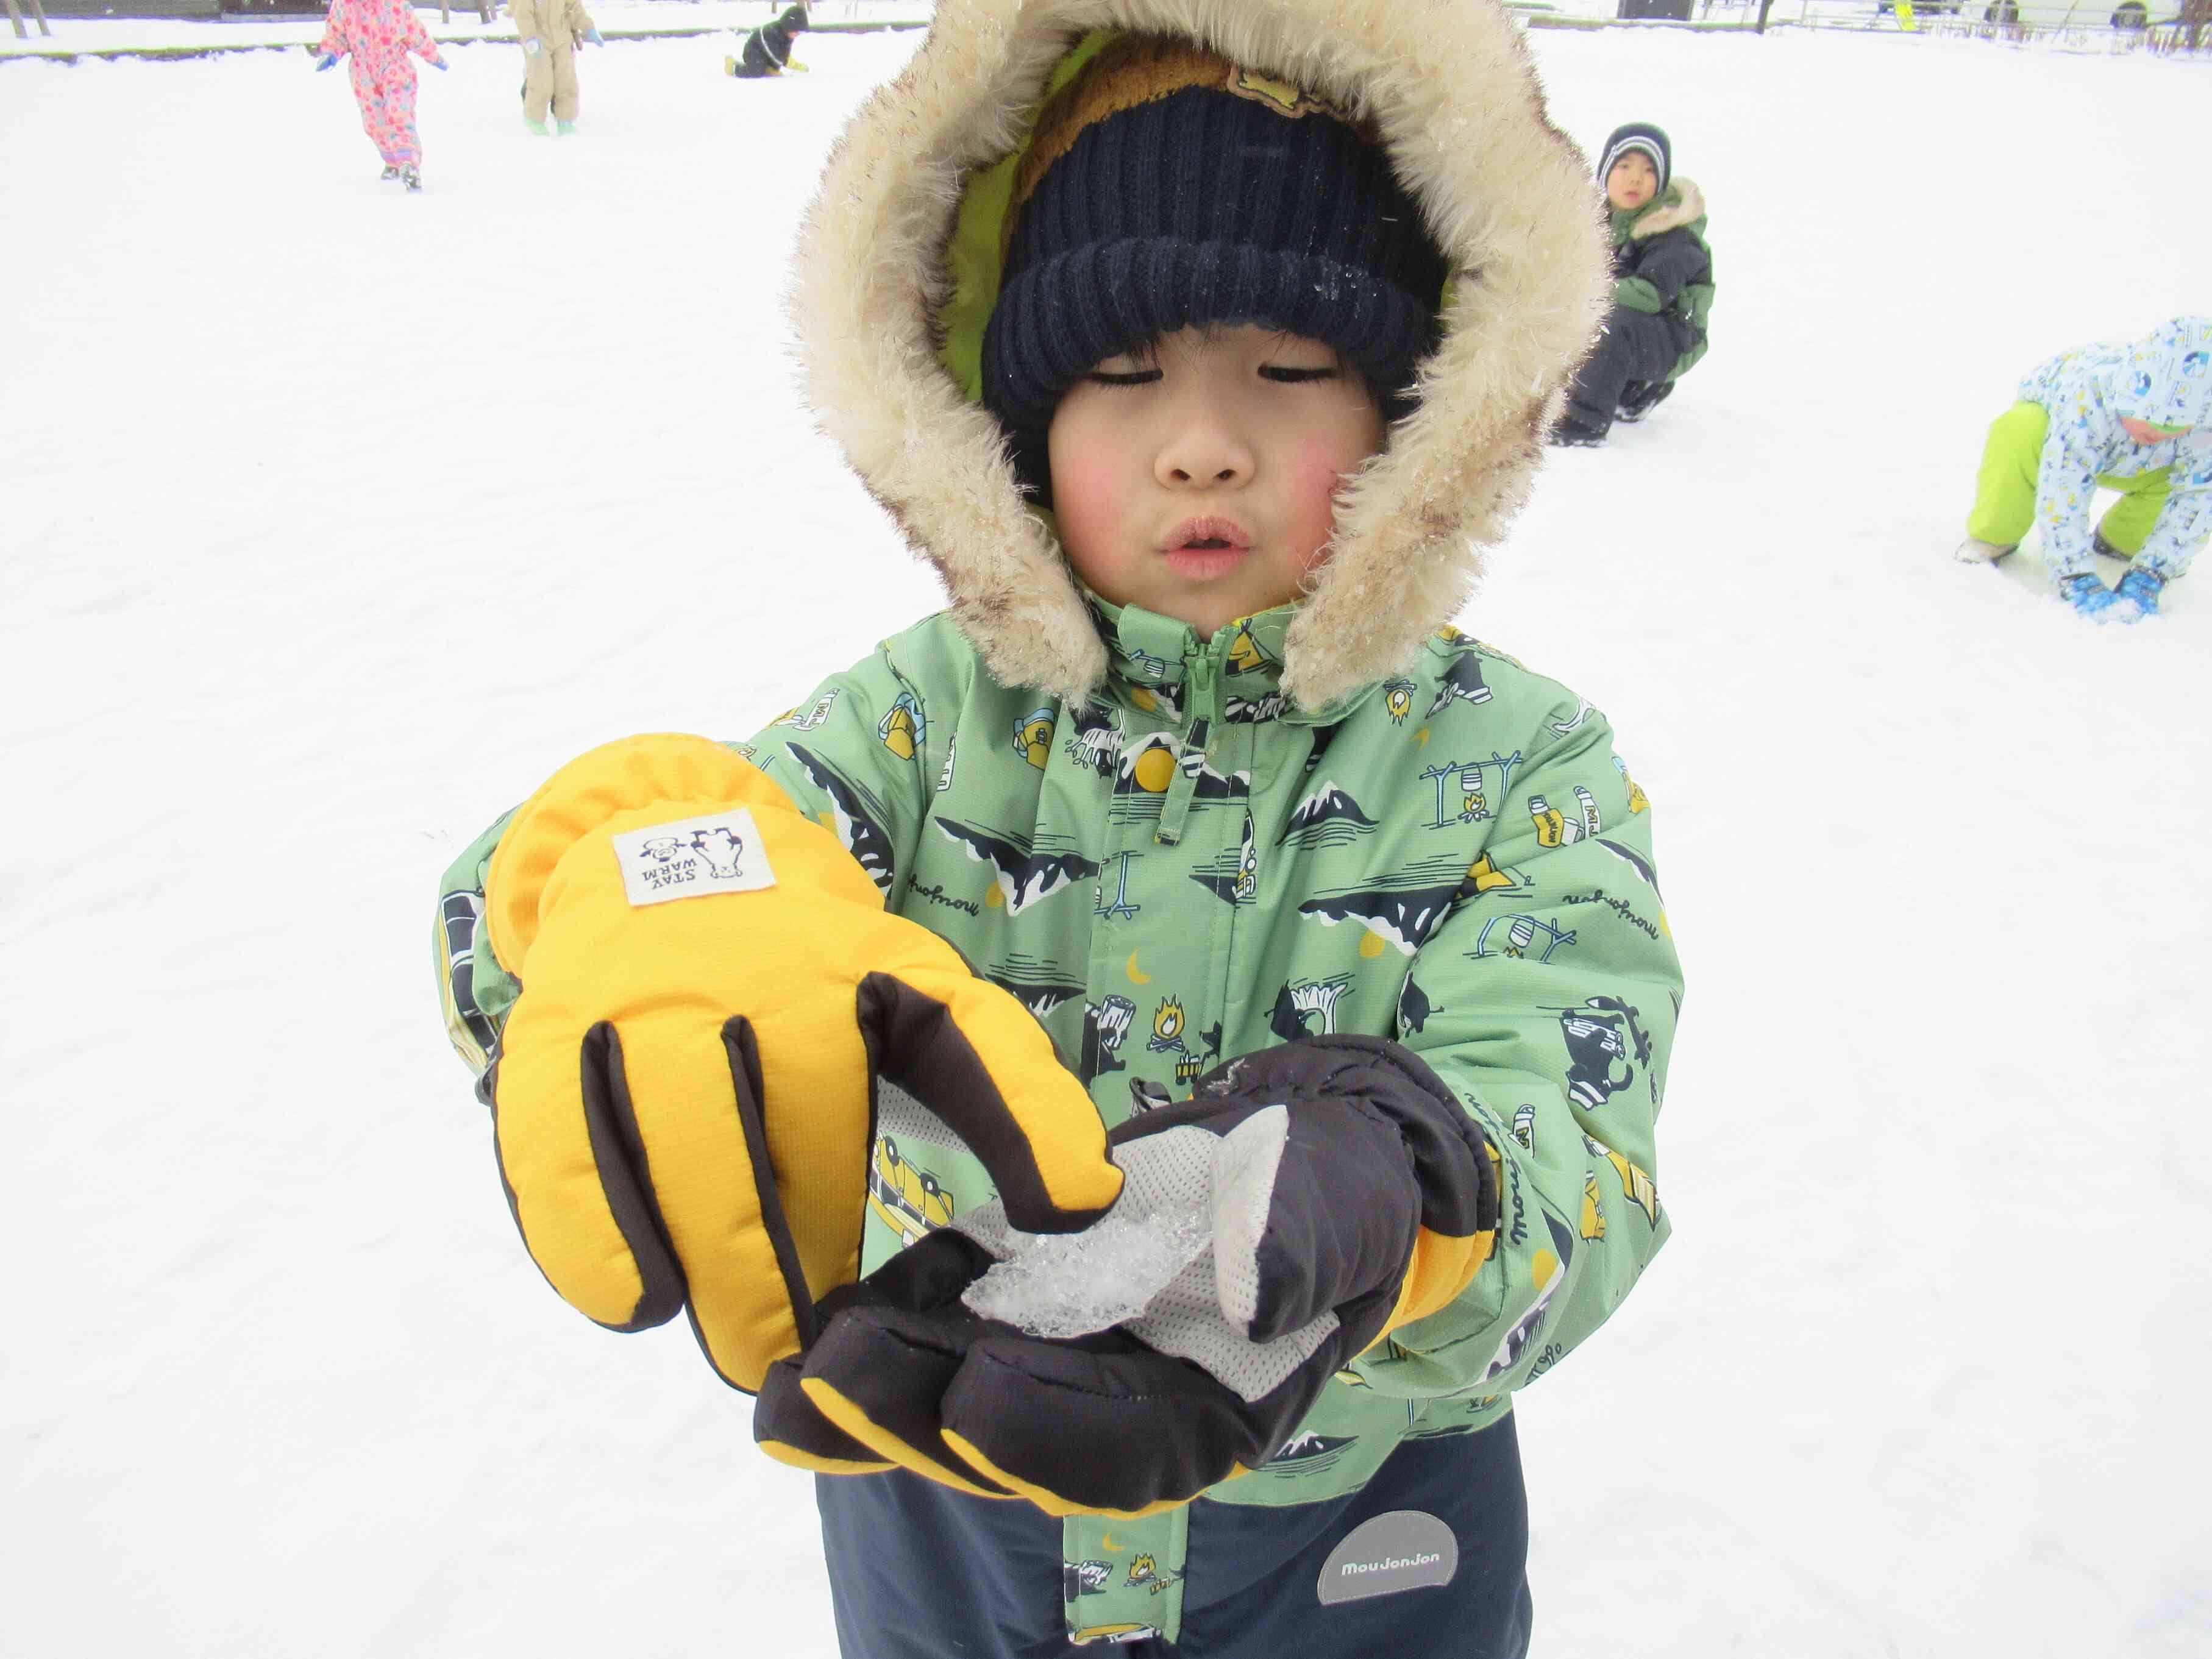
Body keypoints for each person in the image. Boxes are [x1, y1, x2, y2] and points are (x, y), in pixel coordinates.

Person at [433, 4, 1682, 1656]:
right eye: (1121, 373)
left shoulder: (1518, 764)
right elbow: (703, 851)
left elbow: (1575, 1120)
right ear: (1013, 435)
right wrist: (635, 887)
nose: (1201, 443)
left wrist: (1414, 1179)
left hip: (1351, 1513)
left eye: (1288, 369)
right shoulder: (919, 727)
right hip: (947, 1485)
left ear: (1415, 414)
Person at [1955, 316, 2212, 622]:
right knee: (2019, 432)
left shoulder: (2202, 426)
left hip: (2148, 465)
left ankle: (2119, 540)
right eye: (2148, 416)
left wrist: (2154, 572)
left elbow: (2199, 497)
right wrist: (2074, 574)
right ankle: (1996, 534)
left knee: (2187, 482)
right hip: (2059, 440)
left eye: (2175, 426)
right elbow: (2064, 485)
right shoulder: (2088, 396)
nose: (2156, 431)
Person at [1552, 123, 1713, 447]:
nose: (1635, 178)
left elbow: (1649, 295)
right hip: (1637, 332)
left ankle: (1581, 425)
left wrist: (1582, 290)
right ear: (1606, 173)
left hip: (1676, 337)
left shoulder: (1676, 233)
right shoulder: (1595, 222)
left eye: (1648, 170)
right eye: (1624, 166)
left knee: (1607, 323)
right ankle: (1632, 390)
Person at [315, 0, 447, 191]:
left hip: (395, 65)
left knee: (399, 113)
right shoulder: (344, 5)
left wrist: (433, 55)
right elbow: (336, 33)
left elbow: (414, 31)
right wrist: (331, 52)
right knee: (374, 122)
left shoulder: (394, 4)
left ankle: (408, 161)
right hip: (363, 72)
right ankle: (393, 161)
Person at [512, 0, 600, 135]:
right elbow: (522, 13)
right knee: (542, 82)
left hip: (562, 37)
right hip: (538, 39)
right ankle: (534, 119)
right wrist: (529, 37)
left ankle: (565, 120)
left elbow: (574, 6)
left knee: (566, 81)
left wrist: (589, 27)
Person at [726, 3, 809, 79]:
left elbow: (784, 52)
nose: (798, 35)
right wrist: (790, 64)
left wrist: (789, 61)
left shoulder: (788, 35)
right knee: (757, 71)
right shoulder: (772, 33)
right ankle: (734, 67)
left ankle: (767, 69)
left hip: (767, 54)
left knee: (776, 67)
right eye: (797, 31)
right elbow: (775, 54)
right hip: (754, 52)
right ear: (789, 27)